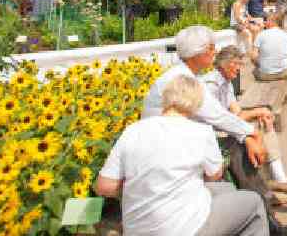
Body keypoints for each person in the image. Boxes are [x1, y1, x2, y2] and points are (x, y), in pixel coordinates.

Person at [141, 26, 287, 236]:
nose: (214, 52)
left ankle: (267, 211)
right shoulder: (186, 80)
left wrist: (248, 134)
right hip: (171, 148)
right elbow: (218, 117)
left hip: (172, 143)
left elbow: (221, 116)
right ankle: (266, 215)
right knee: (238, 150)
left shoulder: (183, 74)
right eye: (210, 48)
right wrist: (250, 135)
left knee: (239, 146)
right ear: (197, 52)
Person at [96, 75, 268, 236]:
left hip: (137, 229)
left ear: (166, 98)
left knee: (226, 190)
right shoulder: (201, 131)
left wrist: (142, 184)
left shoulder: (133, 130)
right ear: (196, 103)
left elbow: (104, 186)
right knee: (254, 203)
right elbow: (215, 174)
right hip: (182, 227)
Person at [201, 46, 287, 196]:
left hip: (224, 127)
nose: (239, 69)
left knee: (263, 123)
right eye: (237, 64)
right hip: (213, 134)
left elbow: (237, 113)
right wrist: (257, 113)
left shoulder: (226, 82)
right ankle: (268, 187)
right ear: (225, 64)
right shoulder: (211, 85)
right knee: (250, 135)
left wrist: (261, 112)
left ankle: (279, 179)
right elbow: (221, 120)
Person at [252, 13, 287, 81]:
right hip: (283, 73)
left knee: (254, 70)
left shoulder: (261, 34)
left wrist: (258, 65)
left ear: (272, 21)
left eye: (267, 20)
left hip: (264, 75)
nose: (265, 22)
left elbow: (253, 56)